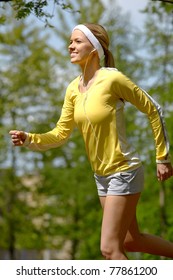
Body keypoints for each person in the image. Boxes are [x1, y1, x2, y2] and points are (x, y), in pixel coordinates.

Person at [9, 23, 173, 260]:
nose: (70, 46)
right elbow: (60, 133)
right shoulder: (73, 89)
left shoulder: (112, 79)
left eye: (76, 41)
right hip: (102, 177)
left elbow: (154, 109)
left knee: (109, 249)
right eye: (70, 41)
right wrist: (29, 139)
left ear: (95, 48)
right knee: (131, 240)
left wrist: (162, 157)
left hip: (123, 171)